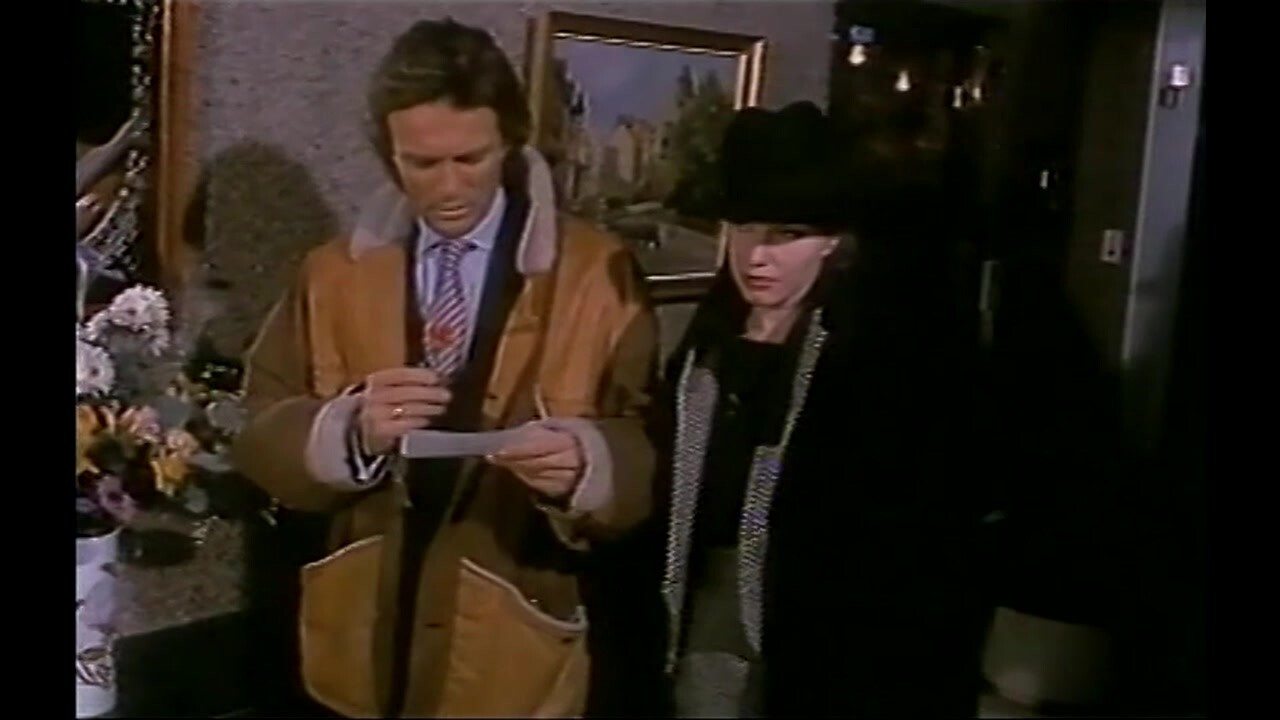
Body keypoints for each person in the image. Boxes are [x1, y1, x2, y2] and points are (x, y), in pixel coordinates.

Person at [232, 18, 659, 718]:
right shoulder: (332, 274)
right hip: (362, 631)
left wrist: (588, 466)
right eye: (422, 164)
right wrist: (348, 432)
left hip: (510, 639)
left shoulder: (595, 272)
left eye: (471, 158)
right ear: (388, 154)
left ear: (511, 142)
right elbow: (257, 427)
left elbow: (646, 442)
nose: (450, 187)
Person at [646, 102, 986, 717]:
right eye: (744, 228)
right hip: (705, 620)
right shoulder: (704, 351)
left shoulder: (880, 357)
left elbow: (914, 538)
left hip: (828, 641)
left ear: (832, 241)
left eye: (787, 235)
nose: (757, 256)